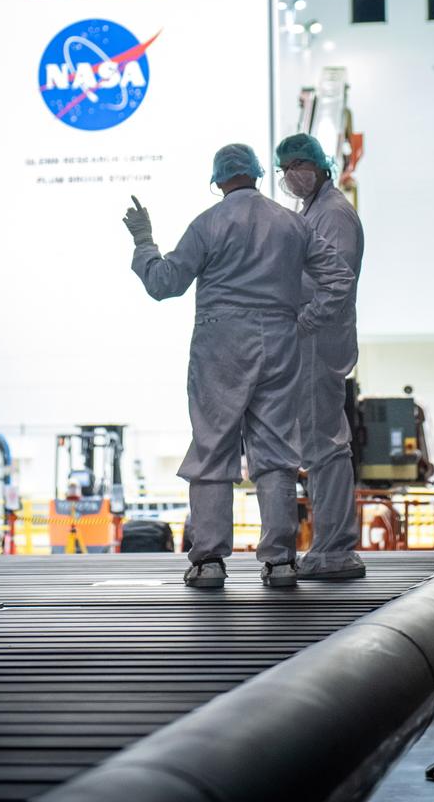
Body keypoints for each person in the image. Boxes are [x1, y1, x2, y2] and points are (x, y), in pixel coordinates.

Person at [122, 143, 354, 591]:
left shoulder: (208, 223)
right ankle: (280, 561)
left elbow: (164, 283)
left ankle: (209, 561)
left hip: (221, 345)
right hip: (281, 344)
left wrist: (143, 240)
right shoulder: (291, 223)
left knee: (213, 448)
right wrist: (307, 320)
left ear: (217, 181)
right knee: (276, 454)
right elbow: (339, 279)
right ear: (260, 174)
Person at [275, 133, 365, 581]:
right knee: (319, 444)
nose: (292, 174)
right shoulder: (311, 212)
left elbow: (335, 280)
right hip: (310, 340)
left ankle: (335, 551)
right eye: (285, 167)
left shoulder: (333, 214)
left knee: (325, 446)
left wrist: (302, 323)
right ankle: (329, 548)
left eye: (298, 164)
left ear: (318, 164)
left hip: (318, 341)